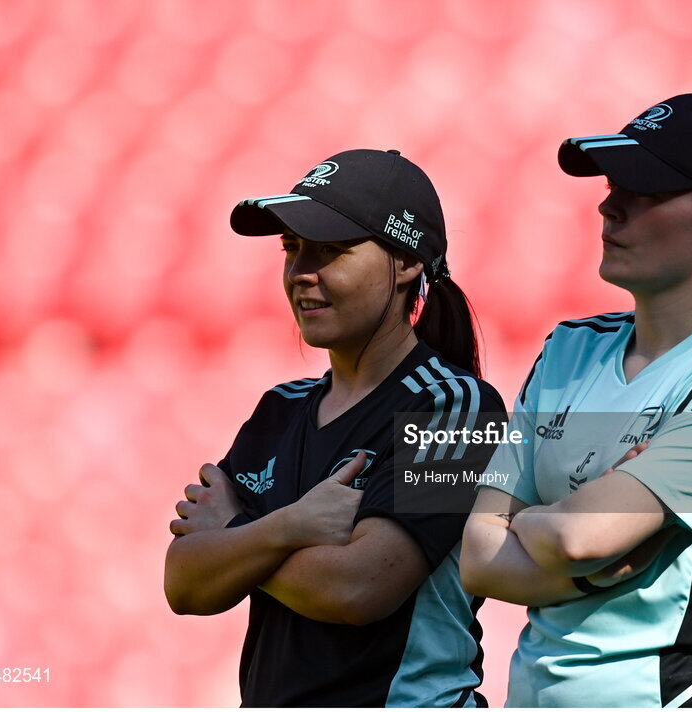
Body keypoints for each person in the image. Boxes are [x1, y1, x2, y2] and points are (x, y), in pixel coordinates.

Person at [460, 93, 692, 707]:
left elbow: (574, 536)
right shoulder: (568, 349)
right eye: (615, 183)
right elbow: (479, 557)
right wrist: (588, 552)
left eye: (644, 190)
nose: (609, 206)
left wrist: (538, 524)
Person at [164, 149, 505, 707]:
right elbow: (184, 584)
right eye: (292, 249)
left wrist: (236, 533)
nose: (301, 273)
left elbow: (358, 587)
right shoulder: (280, 407)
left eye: (331, 251)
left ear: (406, 263)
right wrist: (284, 527)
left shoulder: (457, 408)